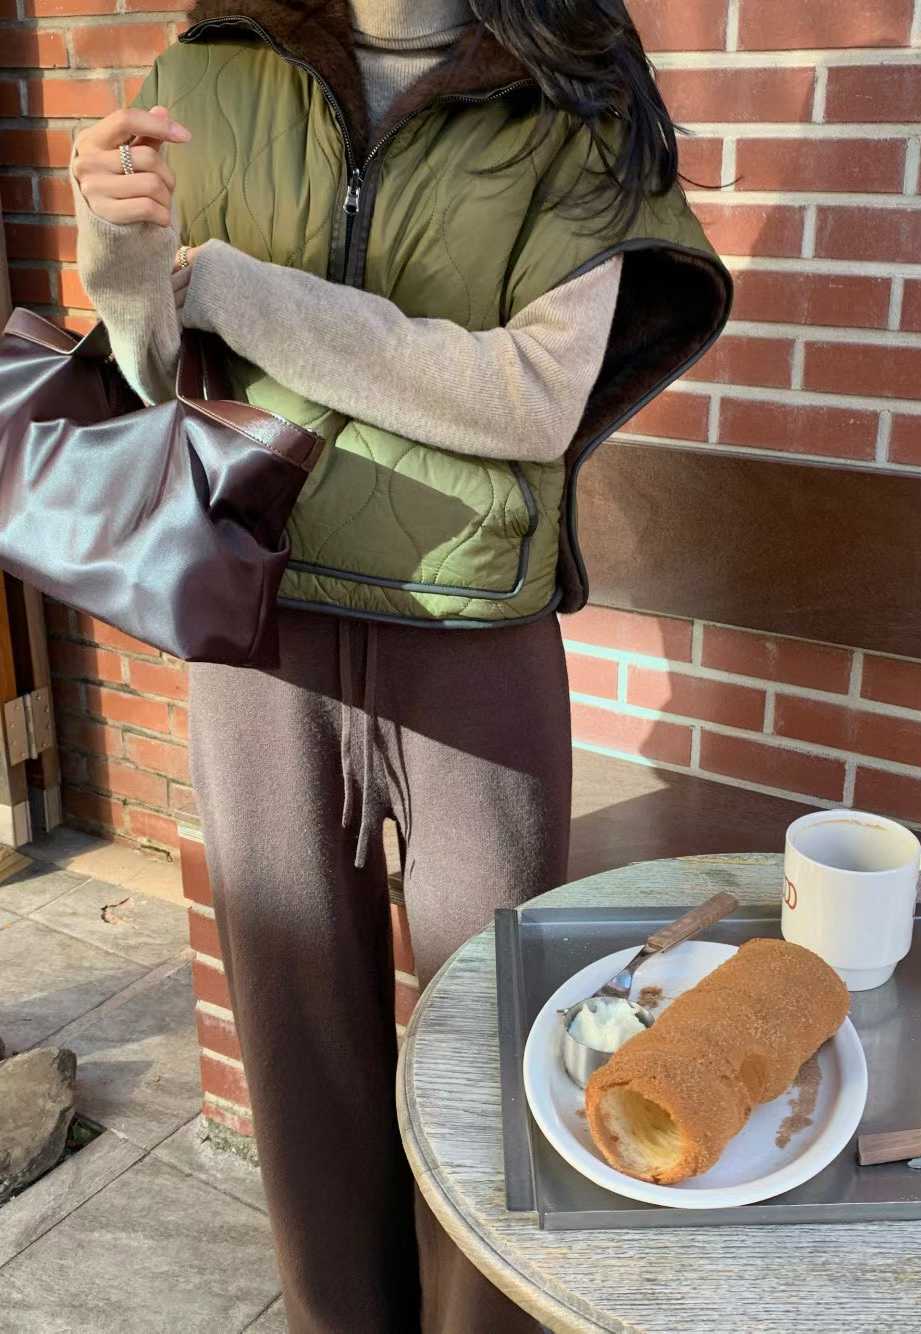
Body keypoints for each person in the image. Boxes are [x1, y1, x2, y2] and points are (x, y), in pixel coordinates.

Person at [69, 3, 730, 1330]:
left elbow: (531, 397)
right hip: (255, 626)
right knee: (296, 1049)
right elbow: (151, 376)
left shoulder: (574, 91)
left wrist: (233, 285)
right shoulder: (211, 67)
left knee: (498, 1040)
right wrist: (126, 262)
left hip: (473, 633)